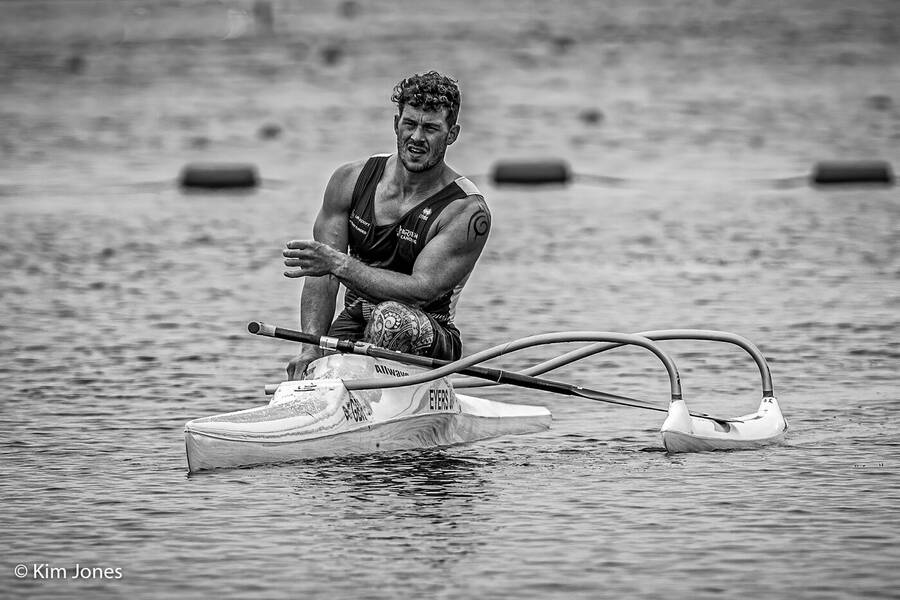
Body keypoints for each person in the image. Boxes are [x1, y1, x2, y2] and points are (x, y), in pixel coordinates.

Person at [282, 71, 491, 380]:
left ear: (452, 134)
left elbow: (422, 290)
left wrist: (338, 264)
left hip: (428, 331)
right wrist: (311, 347)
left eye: (431, 128)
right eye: (410, 124)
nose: (417, 138)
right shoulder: (349, 181)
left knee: (391, 318)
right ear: (396, 124)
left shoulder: (466, 211)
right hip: (357, 320)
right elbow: (323, 276)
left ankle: (378, 395)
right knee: (313, 368)